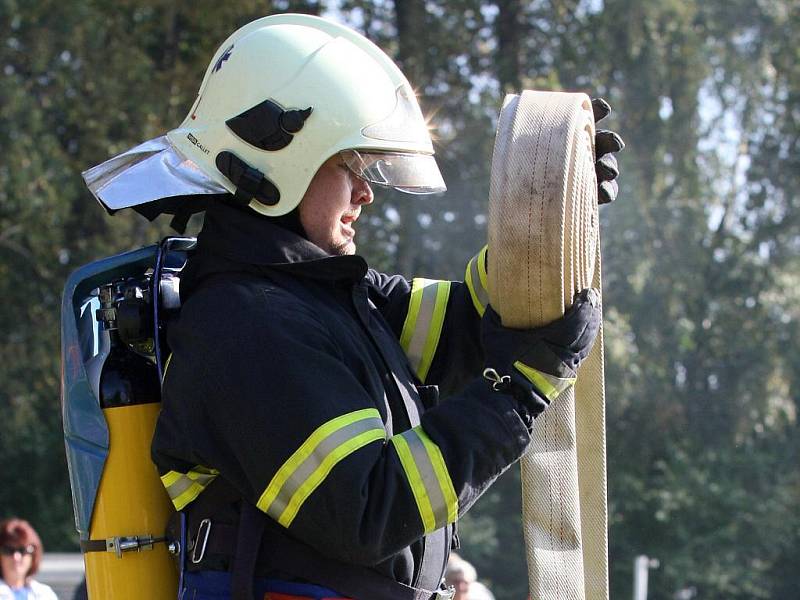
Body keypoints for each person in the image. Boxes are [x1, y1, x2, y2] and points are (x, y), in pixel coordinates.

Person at [84, 13, 623, 600]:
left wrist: (545, 224)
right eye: (350, 166)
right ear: (277, 161)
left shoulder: (330, 299)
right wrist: (519, 396)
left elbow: (469, 327)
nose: (366, 192)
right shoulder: (250, 327)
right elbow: (369, 508)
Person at [0, 518, 58, 600]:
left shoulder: (45, 594)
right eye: (9, 550)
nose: (16, 557)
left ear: (33, 555)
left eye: (22, 550)